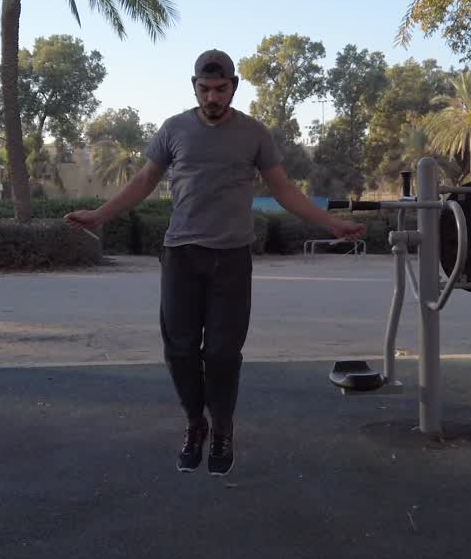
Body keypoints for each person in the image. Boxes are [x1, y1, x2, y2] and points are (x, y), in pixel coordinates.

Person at [65, 49, 364, 476]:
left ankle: (223, 427)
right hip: (181, 255)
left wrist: (330, 223)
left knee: (223, 354)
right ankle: (195, 423)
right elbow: (143, 181)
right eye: (204, 89)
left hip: (232, 259)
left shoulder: (255, 134)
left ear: (234, 87)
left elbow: (284, 189)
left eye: (220, 89)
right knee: (180, 350)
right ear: (194, 87)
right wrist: (100, 215)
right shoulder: (173, 130)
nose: (212, 97)